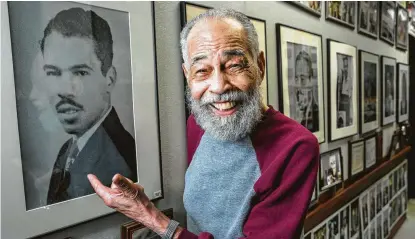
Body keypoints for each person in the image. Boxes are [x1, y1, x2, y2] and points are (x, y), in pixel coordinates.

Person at [87, 8, 319, 239]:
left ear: (259, 65)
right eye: (202, 70)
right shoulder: (200, 123)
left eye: (234, 65)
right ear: (187, 75)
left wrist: (152, 217)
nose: (218, 86)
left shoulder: (295, 147)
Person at [43, 7, 137, 204]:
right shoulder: (70, 148)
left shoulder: (116, 162)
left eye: (80, 72)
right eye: (53, 72)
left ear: (109, 78)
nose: (64, 90)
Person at [294, 50, 319, 133]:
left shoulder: (317, 113)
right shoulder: (293, 112)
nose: (298, 85)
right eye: (296, 78)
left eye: (303, 79)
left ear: (311, 79)